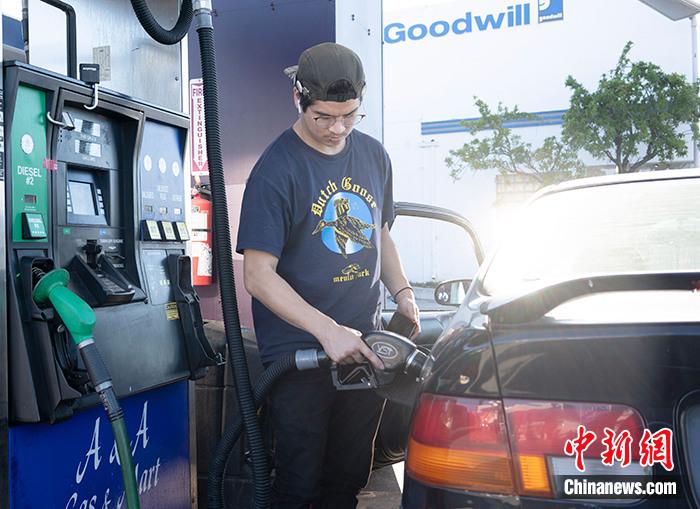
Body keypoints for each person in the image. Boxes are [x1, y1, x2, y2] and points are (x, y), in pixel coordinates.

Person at [236, 42, 420, 509]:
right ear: (298, 98)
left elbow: (380, 234)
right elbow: (258, 276)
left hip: (363, 350)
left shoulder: (374, 156)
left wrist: (402, 292)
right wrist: (326, 330)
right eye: (324, 117)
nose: (338, 128)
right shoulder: (276, 170)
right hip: (300, 357)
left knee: (348, 478)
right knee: (298, 484)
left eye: (350, 116)